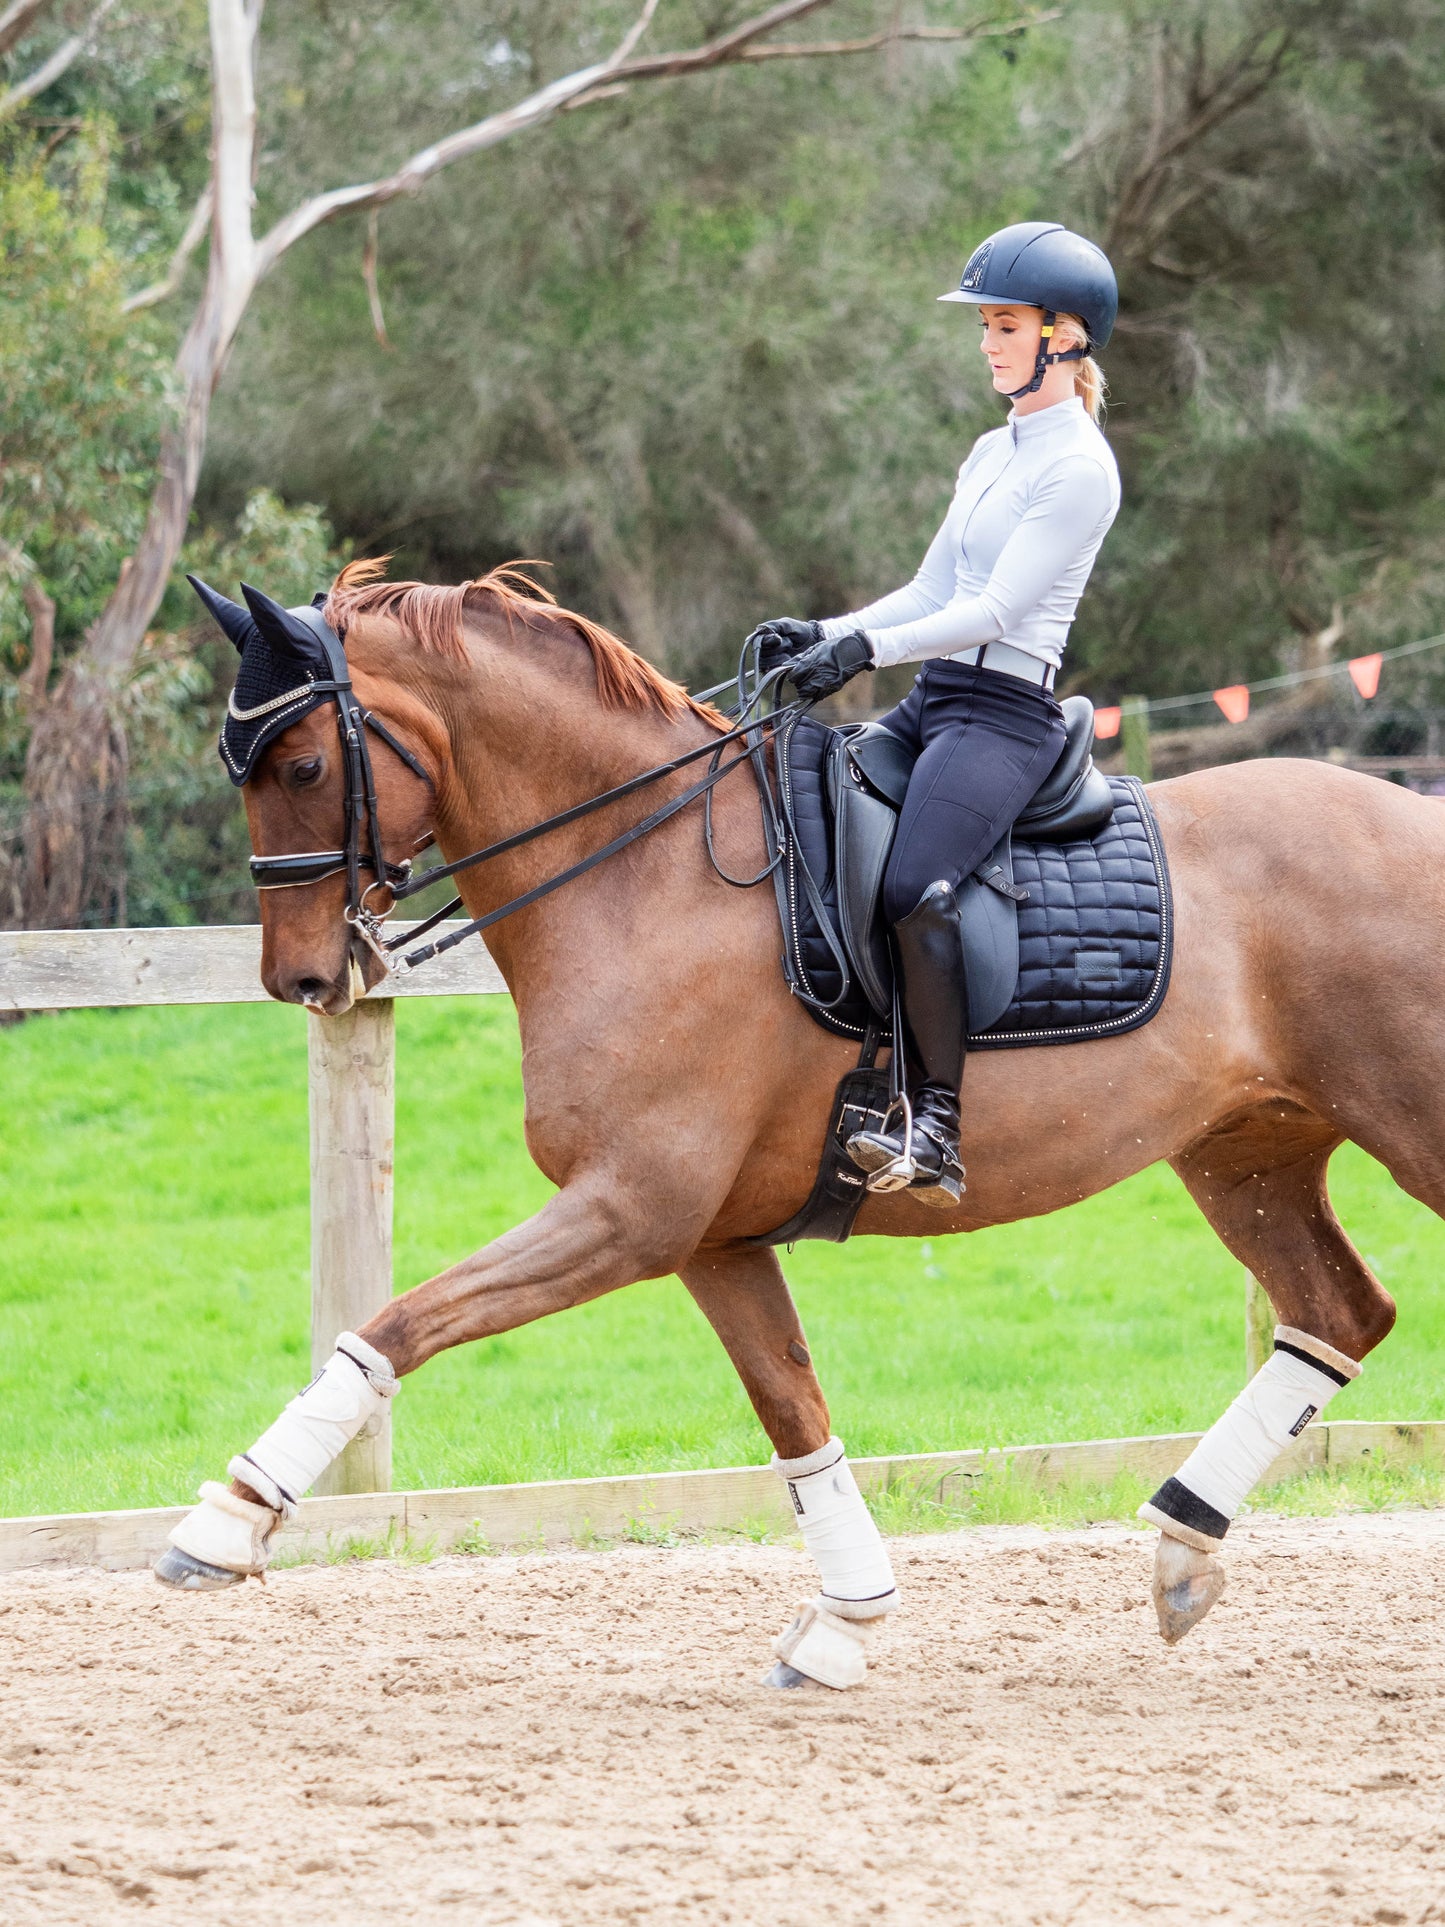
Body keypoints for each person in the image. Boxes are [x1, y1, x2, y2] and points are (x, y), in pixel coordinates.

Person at [750, 221, 1121, 1207]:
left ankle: (938, 1124)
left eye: (1004, 325)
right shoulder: (987, 452)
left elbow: (997, 609)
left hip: (1000, 715)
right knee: (812, 823)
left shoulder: (1078, 467)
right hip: (933, 702)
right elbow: (927, 589)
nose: (987, 342)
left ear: (1064, 334)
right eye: (985, 327)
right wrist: (821, 630)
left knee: (916, 885)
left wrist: (859, 652)